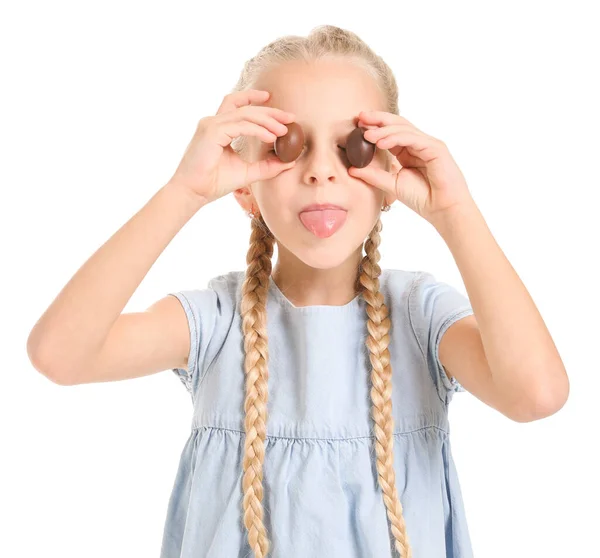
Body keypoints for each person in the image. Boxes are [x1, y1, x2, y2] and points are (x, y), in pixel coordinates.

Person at [26, 24, 569, 558]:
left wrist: (455, 212)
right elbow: (60, 355)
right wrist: (183, 192)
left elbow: (536, 394)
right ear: (245, 187)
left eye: (351, 148)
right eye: (289, 148)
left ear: (390, 176)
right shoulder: (218, 323)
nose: (320, 173)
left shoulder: (419, 318)